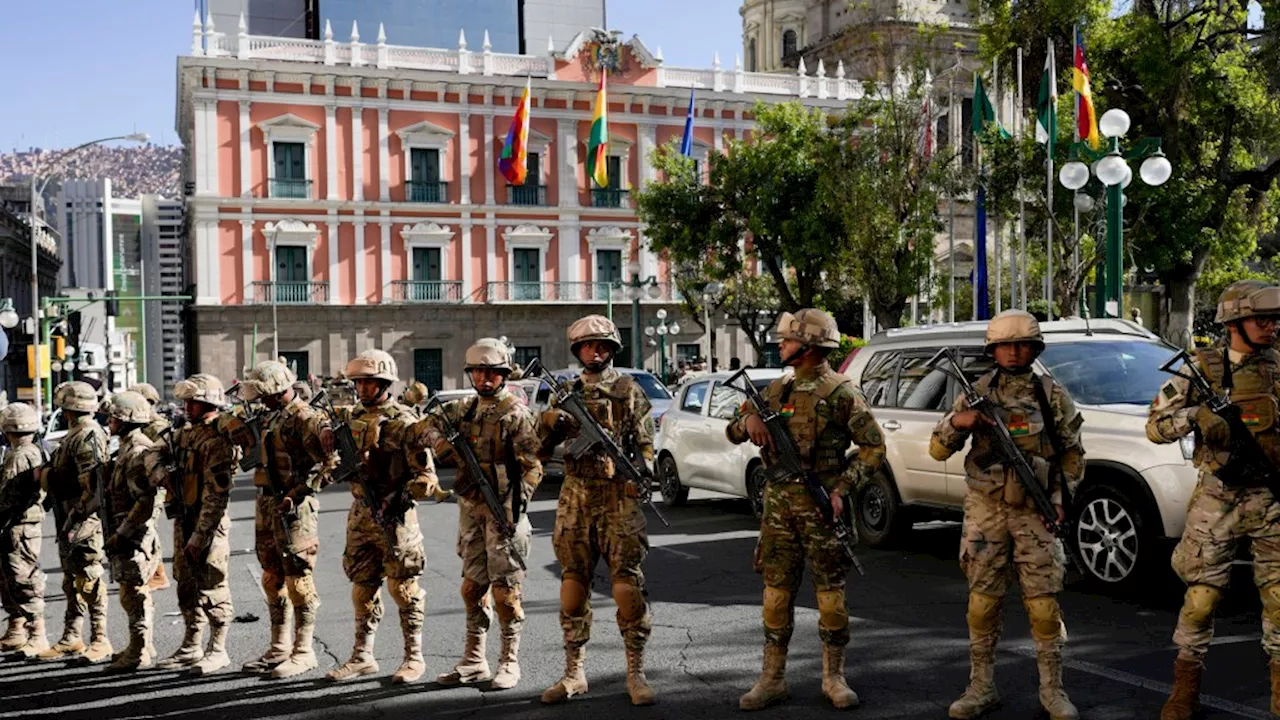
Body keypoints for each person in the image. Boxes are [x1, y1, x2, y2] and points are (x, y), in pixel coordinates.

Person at [727, 309, 886, 711]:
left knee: (831, 598)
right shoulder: (776, 391)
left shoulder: (841, 392)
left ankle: (834, 677)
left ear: (810, 345)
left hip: (822, 508)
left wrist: (843, 488)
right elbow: (732, 430)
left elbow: (873, 447)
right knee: (775, 597)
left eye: (788, 340)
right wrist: (748, 422)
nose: (780, 345)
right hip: (779, 508)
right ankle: (772, 678)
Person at [929, 309, 1085, 720]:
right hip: (987, 509)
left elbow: (1073, 455)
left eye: (1022, 345)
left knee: (1044, 606)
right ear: (993, 350)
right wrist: (957, 423)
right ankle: (981, 686)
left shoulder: (1051, 395)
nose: (1014, 353)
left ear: (1035, 349)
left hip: (1035, 510)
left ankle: (1053, 690)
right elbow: (938, 450)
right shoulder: (974, 391)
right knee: (982, 604)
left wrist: (1059, 496)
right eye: (1005, 345)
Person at [1147, 280, 1280, 719]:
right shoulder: (1199, 370)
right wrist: (1196, 416)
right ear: (1233, 322)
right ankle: (1184, 687)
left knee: (1279, 598)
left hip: (1271, 495)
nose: (1270, 326)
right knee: (1201, 598)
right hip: (1217, 497)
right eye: (1261, 318)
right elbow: (1155, 427)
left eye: (1274, 319)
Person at [538, 315, 657, 706]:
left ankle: (635, 672)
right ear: (577, 351)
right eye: (588, 345)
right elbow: (537, 448)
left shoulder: (629, 390)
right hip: (575, 497)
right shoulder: (564, 392)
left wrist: (641, 472)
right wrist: (551, 422)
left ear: (612, 350)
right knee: (572, 588)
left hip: (617, 498)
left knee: (627, 588)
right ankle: (574, 673)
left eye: (603, 345)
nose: (596, 351)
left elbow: (645, 440)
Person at [416, 339, 542, 690]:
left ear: (503, 374)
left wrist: (515, 508)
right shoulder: (462, 410)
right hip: (472, 509)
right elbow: (424, 426)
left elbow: (532, 468)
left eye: (492, 372)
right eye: (478, 372)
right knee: (473, 587)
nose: (485, 378)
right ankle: (474, 659)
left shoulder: (515, 413)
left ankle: (509, 661)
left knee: (507, 591)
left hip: (505, 511)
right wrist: (438, 441)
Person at [325, 349, 441, 685]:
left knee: (403, 588)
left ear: (384, 383)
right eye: (358, 382)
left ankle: (413, 657)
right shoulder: (349, 419)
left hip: (395, 516)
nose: (362, 388)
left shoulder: (403, 422)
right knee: (363, 586)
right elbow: (334, 462)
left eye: (369, 382)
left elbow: (426, 475)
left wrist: (410, 490)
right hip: (361, 514)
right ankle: (362, 656)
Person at [241, 360, 335, 679]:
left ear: (279, 390)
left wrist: (298, 492)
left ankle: (303, 650)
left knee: (299, 580)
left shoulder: (307, 418)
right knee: (272, 577)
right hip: (268, 503)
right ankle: (279, 646)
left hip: (295, 509)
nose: (259, 400)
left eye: (264, 393)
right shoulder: (272, 415)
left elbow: (330, 463)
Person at [157, 374, 237, 675]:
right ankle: (191, 644)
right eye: (186, 401)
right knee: (186, 584)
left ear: (209, 402)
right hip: (184, 518)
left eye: (193, 401)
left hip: (207, 525)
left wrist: (200, 536)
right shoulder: (186, 434)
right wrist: (160, 472)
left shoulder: (217, 440)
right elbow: (154, 453)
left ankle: (218, 649)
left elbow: (217, 496)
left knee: (212, 584)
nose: (187, 407)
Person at [37, 381, 112, 663]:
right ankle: (72, 636)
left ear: (67, 407)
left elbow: (92, 483)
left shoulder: (87, 435)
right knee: (72, 580)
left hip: (81, 517)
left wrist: (77, 514)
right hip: (69, 516)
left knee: (89, 578)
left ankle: (101, 638)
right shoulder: (75, 433)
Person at [100, 391, 167, 673]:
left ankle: (138, 652)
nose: (109, 421)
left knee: (133, 593)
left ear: (125, 420)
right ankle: (141, 645)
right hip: (128, 529)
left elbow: (144, 500)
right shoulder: (128, 445)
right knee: (133, 591)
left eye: (114, 417)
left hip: (133, 532)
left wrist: (123, 533)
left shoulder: (137, 450)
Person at [0, 403, 49, 658]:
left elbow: (7, 496)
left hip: (19, 524)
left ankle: (37, 634)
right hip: (18, 524)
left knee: (23, 578)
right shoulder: (28, 450)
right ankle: (17, 629)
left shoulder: (20, 455)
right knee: (8, 578)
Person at [128, 382, 172, 592]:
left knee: (148, 527)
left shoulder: (156, 426)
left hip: (155, 482)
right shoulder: (145, 424)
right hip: (145, 481)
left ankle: (157, 573)